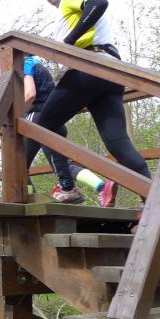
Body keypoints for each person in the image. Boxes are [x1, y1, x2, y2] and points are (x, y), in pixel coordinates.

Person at [31, 0, 150, 202]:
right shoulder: (67, 10)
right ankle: (154, 201)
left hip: (89, 68)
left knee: (41, 126)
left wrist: (68, 41)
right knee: (117, 143)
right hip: (110, 72)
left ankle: (56, 187)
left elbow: (98, 2)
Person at [23, 55, 117, 207]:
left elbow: (30, 94)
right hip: (55, 119)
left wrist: (16, 113)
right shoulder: (38, 65)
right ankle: (101, 186)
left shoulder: (25, 64)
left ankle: (29, 202)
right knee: (62, 165)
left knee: (19, 163)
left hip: (38, 117)